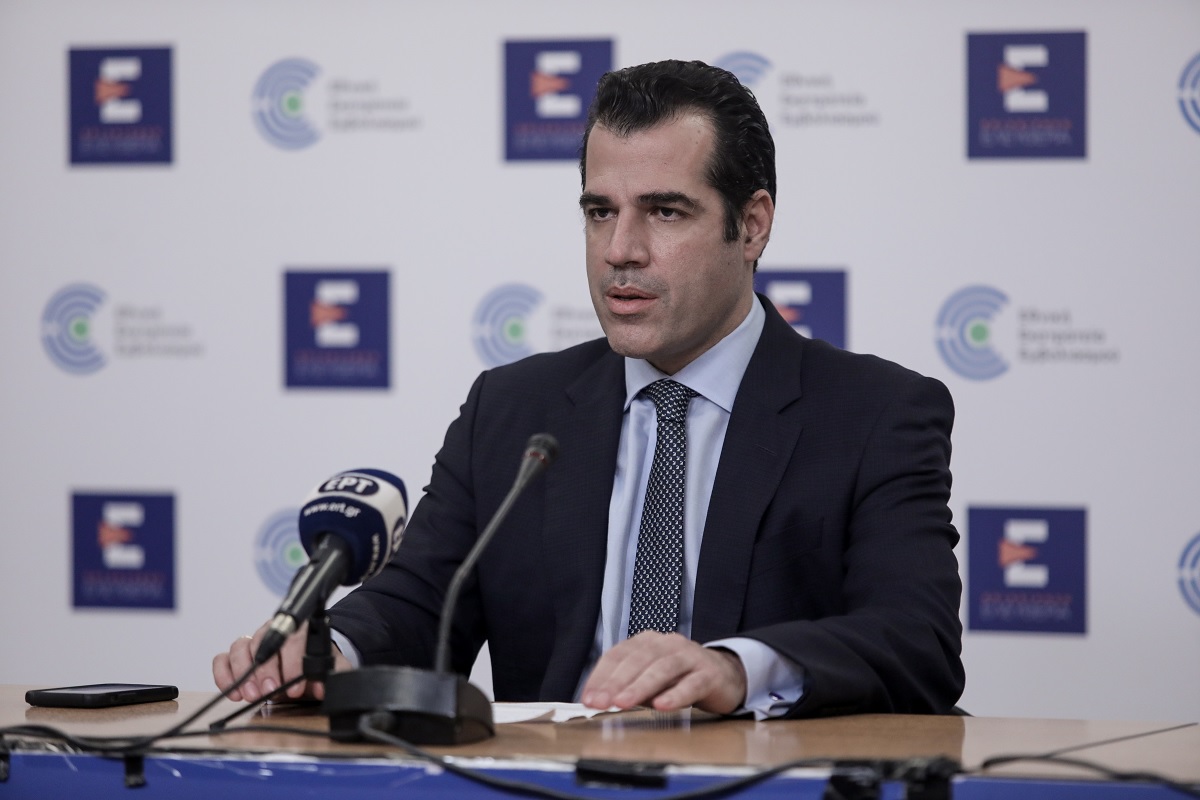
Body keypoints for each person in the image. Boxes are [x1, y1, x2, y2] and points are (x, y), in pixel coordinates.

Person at [214, 59, 964, 718]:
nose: (620, 250)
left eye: (665, 211)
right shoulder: (511, 410)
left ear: (752, 225)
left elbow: (915, 639)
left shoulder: (874, 415)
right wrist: (329, 652)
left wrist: (737, 670)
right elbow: (420, 600)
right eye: (600, 212)